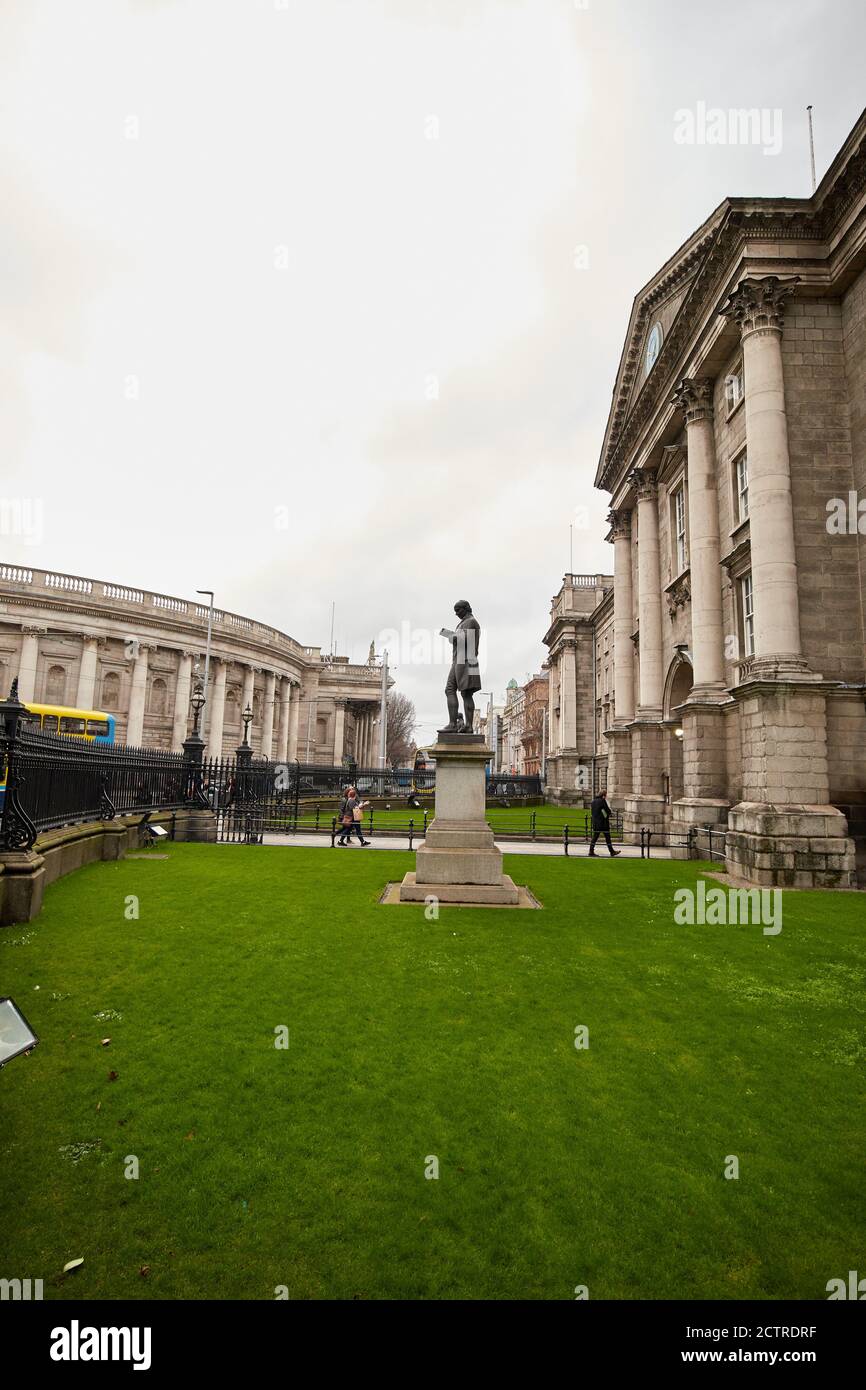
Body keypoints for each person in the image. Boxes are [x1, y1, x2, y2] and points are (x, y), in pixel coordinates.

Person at [588, 792, 621, 857]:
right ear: (603, 796)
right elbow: (607, 810)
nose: (605, 797)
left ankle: (591, 851)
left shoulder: (593, 801)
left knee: (595, 838)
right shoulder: (602, 801)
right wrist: (609, 813)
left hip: (595, 822)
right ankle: (612, 852)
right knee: (608, 838)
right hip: (603, 823)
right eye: (605, 796)